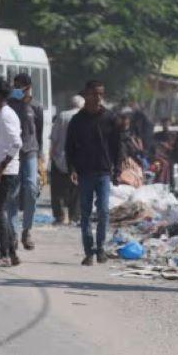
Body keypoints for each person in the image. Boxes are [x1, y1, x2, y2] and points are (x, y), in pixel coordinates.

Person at [65, 80, 121, 266]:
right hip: (84, 172)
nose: (98, 97)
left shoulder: (110, 118)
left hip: (104, 171)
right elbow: (69, 147)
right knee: (86, 213)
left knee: (104, 211)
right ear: (86, 95)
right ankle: (89, 251)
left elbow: (117, 146)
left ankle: (101, 248)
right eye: (94, 94)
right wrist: (71, 168)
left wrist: (118, 169)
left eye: (100, 94)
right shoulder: (77, 120)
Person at [0, 79, 23, 268]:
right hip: (5, 169)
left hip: (7, 171)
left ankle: (5, 254)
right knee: (2, 213)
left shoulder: (6, 115)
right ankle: (12, 253)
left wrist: (1, 167)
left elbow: (17, 143)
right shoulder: (3, 114)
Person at [8, 73, 45, 250]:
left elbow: (39, 133)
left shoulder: (36, 107)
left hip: (30, 150)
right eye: (15, 85)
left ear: (28, 87)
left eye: (20, 86)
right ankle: (13, 233)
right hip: (13, 153)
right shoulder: (10, 105)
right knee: (13, 193)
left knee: (31, 188)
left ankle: (27, 229)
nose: (17, 89)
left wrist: (41, 158)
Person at [49, 95, 83, 225]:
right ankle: (74, 216)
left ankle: (59, 216)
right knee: (76, 189)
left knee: (57, 190)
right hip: (78, 159)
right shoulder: (84, 117)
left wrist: (51, 155)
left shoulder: (62, 116)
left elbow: (54, 138)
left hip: (60, 157)